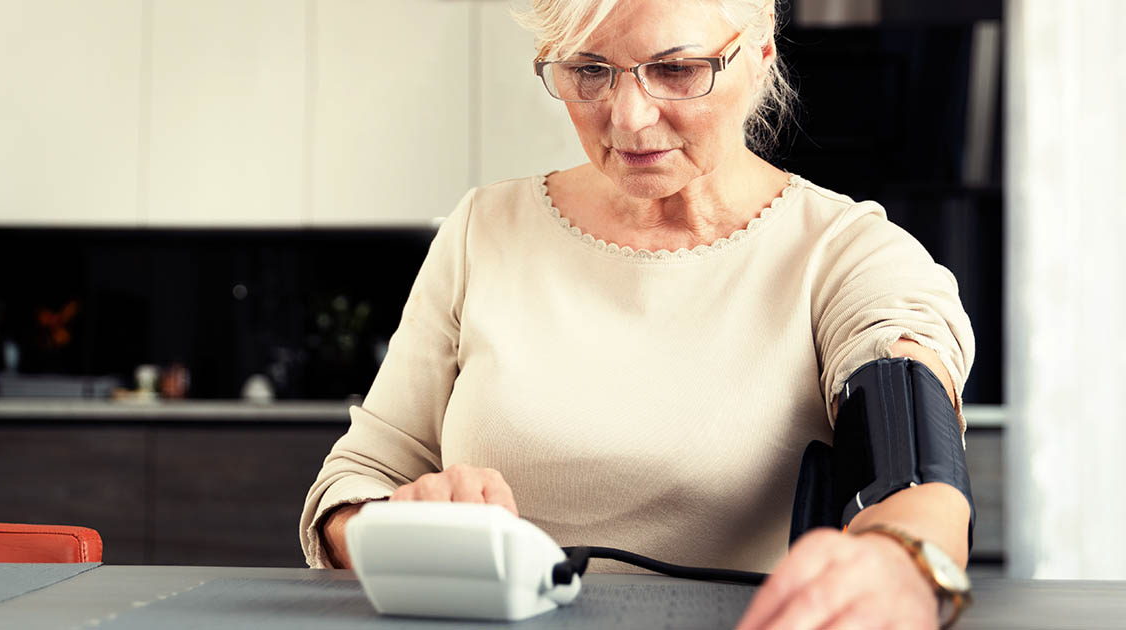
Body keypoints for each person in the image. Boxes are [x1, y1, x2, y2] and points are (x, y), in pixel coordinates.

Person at [300, 0, 976, 627]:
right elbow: (353, 483)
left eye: (677, 69)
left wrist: (903, 559)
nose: (627, 117)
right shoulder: (484, 230)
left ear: (760, 53)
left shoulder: (845, 253)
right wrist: (394, 527)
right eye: (589, 70)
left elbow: (913, 469)